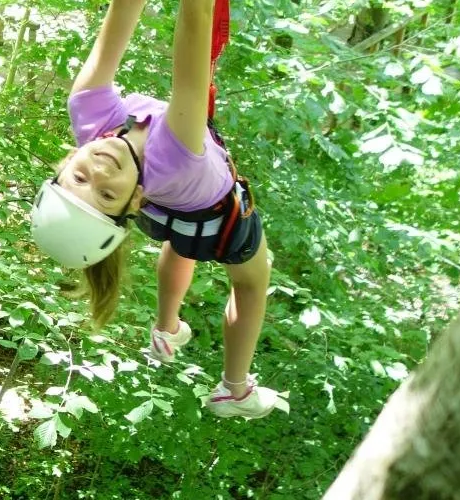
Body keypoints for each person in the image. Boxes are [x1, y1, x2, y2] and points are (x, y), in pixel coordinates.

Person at [29, 0, 286, 419]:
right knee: (253, 282)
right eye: (105, 195)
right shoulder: (176, 151)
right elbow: (197, 17)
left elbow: (123, 9)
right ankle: (235, 388)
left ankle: (166, 329)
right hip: (219, 218)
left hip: (169, 213)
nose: (99, 172)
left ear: (66, 162)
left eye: (79, 178)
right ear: (133, 202)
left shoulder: (90, 118)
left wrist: (111, 198)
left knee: (180, 243)